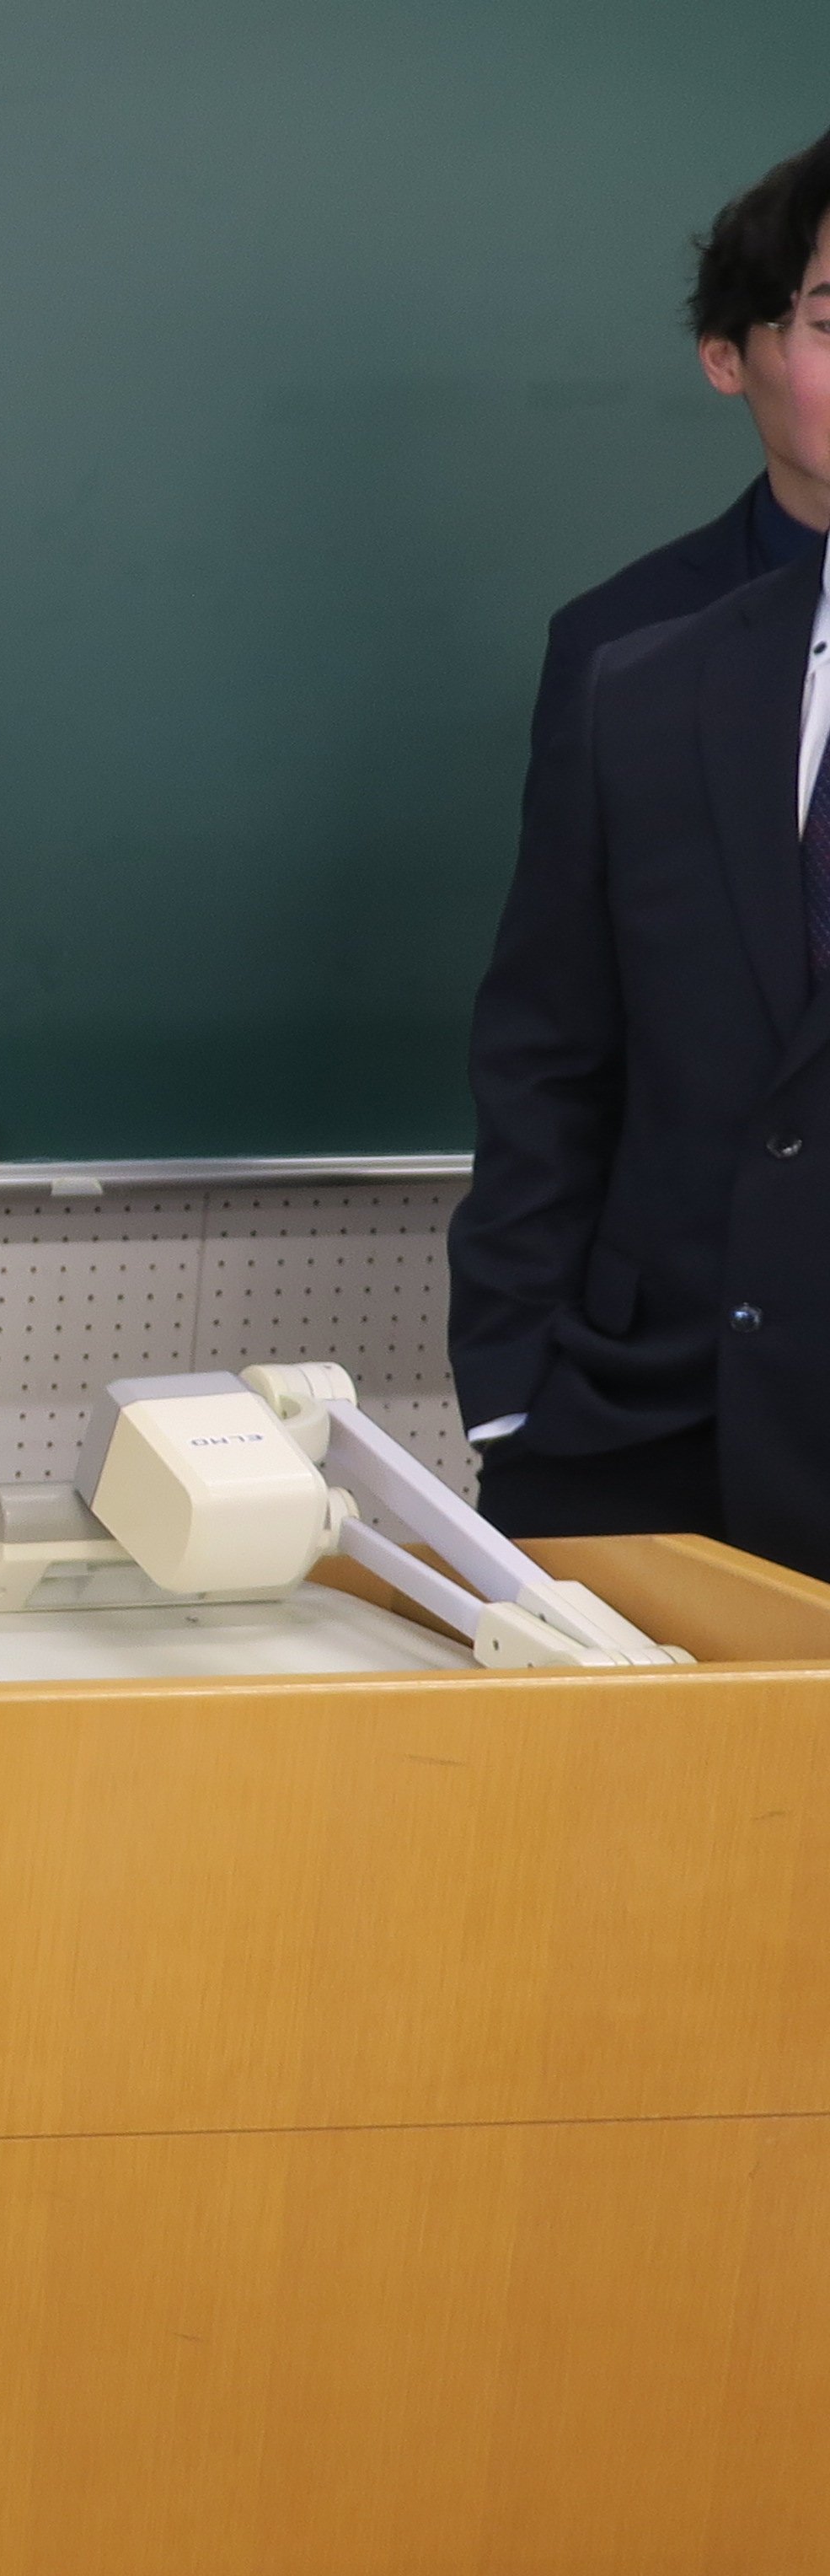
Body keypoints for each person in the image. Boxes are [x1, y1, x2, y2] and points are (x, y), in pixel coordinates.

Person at [456, 128, 830, 1574]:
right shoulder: (642, 663)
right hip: (651, 1418)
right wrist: (514, 1385)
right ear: (735, 355)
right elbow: (551, 1037)